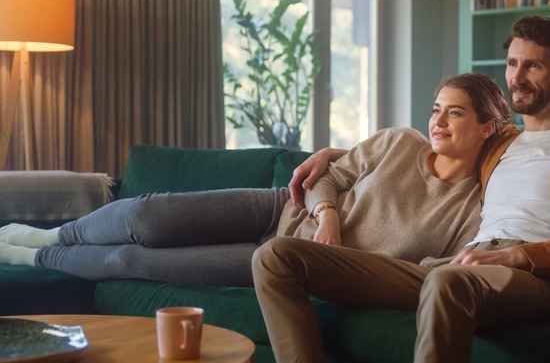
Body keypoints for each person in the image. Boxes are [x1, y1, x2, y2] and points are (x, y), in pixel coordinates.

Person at [252, 15, 550, 363]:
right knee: (276, 257)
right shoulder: (501, 141)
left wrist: (516, 256)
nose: (517, 77)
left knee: (448, 281)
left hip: (537, 273)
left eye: (534, 65)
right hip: (459, 265)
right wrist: (334, 154)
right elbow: (440, 141)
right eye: (513, 63)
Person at [0, 73, 513, 288]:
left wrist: (351, 265)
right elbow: (327, 177)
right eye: (436, 109)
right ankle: (51, 235)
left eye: (455, 113)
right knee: (144, 214)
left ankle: (31, 258)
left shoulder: (475, 207)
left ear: (488, 127)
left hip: (283, 261)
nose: (438, 122)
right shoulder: (400, 143)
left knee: (132, 261)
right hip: (279, 209)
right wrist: (327, 216)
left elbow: (434, 267)